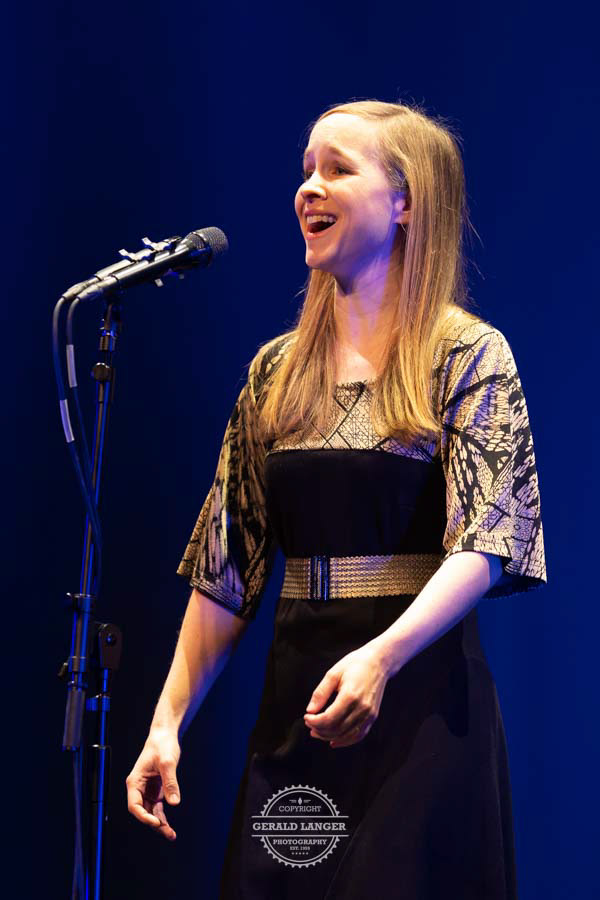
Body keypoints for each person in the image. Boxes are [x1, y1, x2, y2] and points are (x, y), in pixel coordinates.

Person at [126, 99, 546, 898]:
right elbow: (227, 567)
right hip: (302, 706)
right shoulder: (276, 373)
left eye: (338, 169)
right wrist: (166, 722)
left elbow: (487, 543)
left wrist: (382, 658)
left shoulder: (466, 355)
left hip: (421, 706)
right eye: (306, 169)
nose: (309, 188)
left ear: (404, 202)